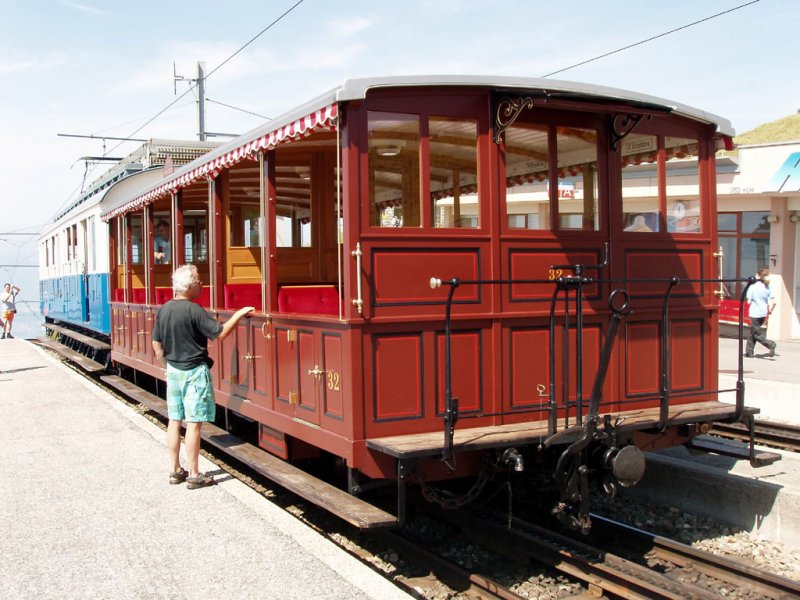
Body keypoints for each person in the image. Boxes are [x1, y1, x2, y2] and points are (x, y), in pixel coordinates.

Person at [152, 264, 254, 488]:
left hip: (174, 372)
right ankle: (194, 474)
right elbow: (221, 333)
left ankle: (175, 470)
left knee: (174, 421)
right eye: (198, 281)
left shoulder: (165, 309)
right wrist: (239, 313)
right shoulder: (193, 310)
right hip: (194, 373)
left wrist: (166, 367)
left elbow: (156, 344)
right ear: (188, 286)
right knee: (194, 424)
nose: (201, 285)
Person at [745, 268, 777, 358]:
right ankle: (749, 352)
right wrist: (770, 310)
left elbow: (748, 301)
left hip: (754, 313)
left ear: (759, 276)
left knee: (756, 334)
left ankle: (770, 344)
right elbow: (774, 302)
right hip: (763, 313)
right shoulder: (767, 287)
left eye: (756, 275)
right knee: (753, 332)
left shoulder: (752, 286)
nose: (755, 276)